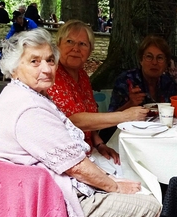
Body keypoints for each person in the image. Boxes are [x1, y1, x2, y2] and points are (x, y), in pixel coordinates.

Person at [0, 28, 162, 217]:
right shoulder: (30, 110)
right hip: (53, 207)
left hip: (34, 202)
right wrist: (114, 186)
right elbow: (76, 166)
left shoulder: (20, 96)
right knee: (150, 205)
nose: (45, 68)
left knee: (124, 188)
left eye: (49, 61)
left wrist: (101, 156)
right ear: (14, 68)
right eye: (34, 61)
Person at [47, 20, 149, 155]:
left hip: (87, 150)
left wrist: (99, 144)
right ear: (58, 45)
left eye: (83, 44)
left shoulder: (82, 76)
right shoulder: (53, 74)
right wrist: (124, 116)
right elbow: (72, 120)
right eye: (70, 42)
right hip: (65, 155)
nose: (76, 48)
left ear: (90, 51)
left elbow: (88, 117)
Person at [108, 36, 177, 112]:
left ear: (166, 63)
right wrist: (131, 104)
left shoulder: (169, 83)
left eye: (160, 58)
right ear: (141, 60)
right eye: (149, 57)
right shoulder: (126, 80)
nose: (154, 62)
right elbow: (110, 119)